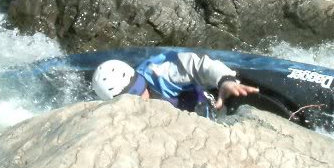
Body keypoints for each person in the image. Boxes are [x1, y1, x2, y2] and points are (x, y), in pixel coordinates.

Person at [91, 50, 259, 114]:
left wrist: (225, 80)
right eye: (133, 99)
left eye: (140, 89)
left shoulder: (163, 72)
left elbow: (200, 65)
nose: (144, 99)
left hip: (207, 107)